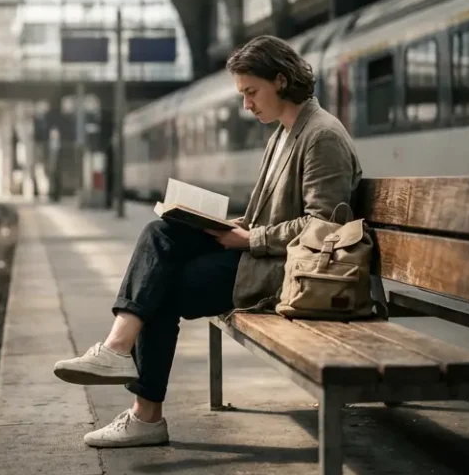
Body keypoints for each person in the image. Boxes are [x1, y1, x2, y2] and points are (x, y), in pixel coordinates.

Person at [50, 34, 362, 448]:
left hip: (293, 273)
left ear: (282, 80)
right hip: (264, 253)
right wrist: (222, 224)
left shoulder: (321, 136)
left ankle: (142, 406)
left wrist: (249, 237)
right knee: (161, 230)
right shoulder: (284, 134)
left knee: (160, 290)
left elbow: (325, 228)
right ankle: (118, 350)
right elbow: (270, 213)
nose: (246, 105)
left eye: (251, 92)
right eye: (242, 94)